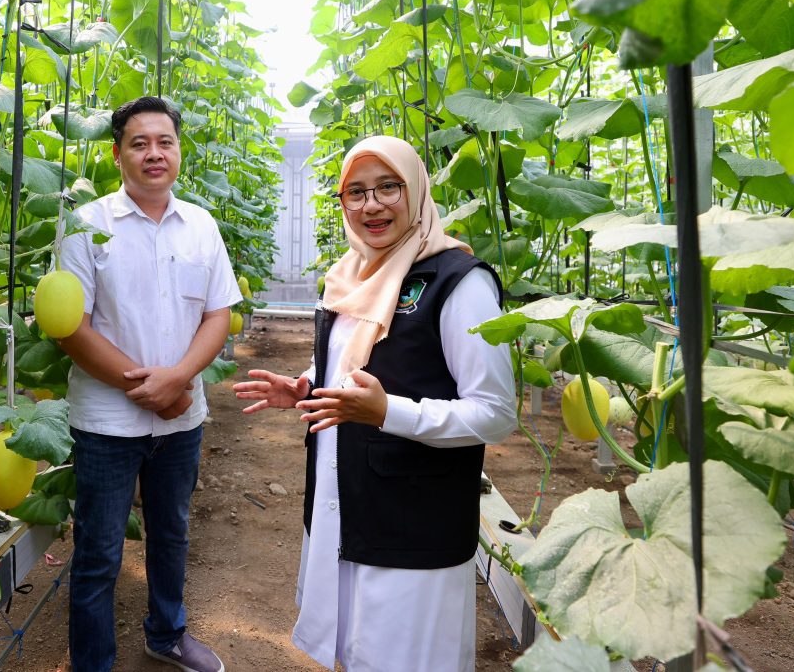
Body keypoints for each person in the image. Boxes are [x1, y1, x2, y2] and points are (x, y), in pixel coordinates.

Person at [233, 135, 517, 671]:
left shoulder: (460, 284)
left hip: (415, 523)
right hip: (347, 505)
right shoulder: (348, 274)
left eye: (389, 187)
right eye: (356, 192)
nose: (372, 205)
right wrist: (306, 386)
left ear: (416, 191)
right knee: (359, 654)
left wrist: (390, 413)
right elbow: (351, 364)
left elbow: (496, 413)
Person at [56, 96, 239, 672]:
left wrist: (179, 381)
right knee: (98, 554)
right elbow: (70, 328)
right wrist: (151, 389)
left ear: (179, 151)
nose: (154, 153)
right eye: (139, 143)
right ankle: (94, 665)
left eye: (165, 142)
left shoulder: (201, 226)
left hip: (182, 418)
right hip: (108, 423)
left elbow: (218, 316)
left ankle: (166, 634)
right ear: (118, 155)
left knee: (171, 535)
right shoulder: (86, 224)